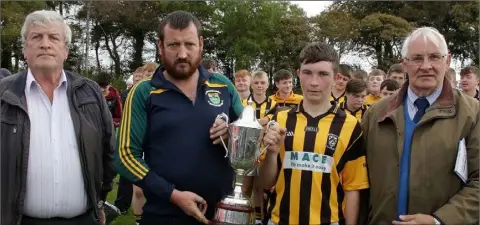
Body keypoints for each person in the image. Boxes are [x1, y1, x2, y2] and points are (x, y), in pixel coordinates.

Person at [114, 11, 243, 225]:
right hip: (164, 216)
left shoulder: (223, 85)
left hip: (221, 216)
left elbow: (250, 134)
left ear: (200, 44)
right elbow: (125, 156)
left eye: (189, 44)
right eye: (174, 45)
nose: (182, 54)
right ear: (160, 46)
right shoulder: (144, 92)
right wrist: (173, 195)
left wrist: (231, 132)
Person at [0, 10, 116, 225]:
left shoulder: (89, 92)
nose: (45, 44)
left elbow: (108, 151)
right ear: (25, 49)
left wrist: (100, 201)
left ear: (65, 50)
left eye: (53, 37)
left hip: (82, 219)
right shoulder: (4, 93)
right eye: (36, 37)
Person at [362, 27, 479, 224]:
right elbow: (357, 181)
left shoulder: (473, 114)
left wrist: (438, 221)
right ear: (404, 64)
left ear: (447, 61)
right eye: (417, 58)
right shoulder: (375, 114)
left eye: (434, 57)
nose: (426, 66)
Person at [259, 42, 369, 225]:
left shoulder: (351, 126)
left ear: (336, 77)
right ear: (298, 74)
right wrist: (271, 154)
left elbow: (353, 189)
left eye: (323, 74)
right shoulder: (279, 121)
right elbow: (265, 183)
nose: (314, 82)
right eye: (307, 72)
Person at [240, 70, 277, 225]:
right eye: (256, 83)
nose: (259, 86)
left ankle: (259, 219)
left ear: (268, 85)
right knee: (246, 187)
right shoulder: (243, 103)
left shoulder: (274, 104)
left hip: (264, 150)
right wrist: (263, 121)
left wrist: (256, 122)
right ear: (251, 84)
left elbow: (273, 122)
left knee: (260, 187)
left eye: (262, 83)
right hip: (246, 151)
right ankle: (242, 212)